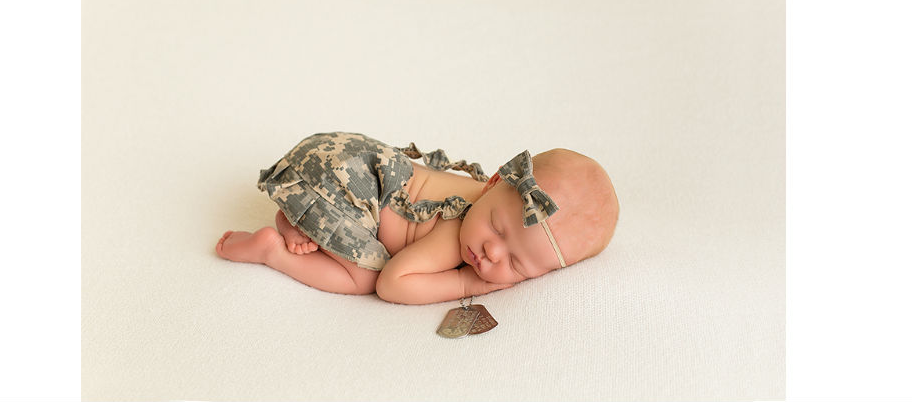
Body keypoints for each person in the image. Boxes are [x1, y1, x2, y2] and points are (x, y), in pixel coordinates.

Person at [215, 132, 619, 304]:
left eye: (516, 263)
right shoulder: (455, 230)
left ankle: (296, 218)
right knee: (365, 278)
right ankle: (272, 250)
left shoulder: (489, 194)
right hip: (344, 183)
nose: (491, 252)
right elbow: (393, 284)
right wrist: (464, 282)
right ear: (495, 181)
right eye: (497, 227)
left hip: (335, 156)